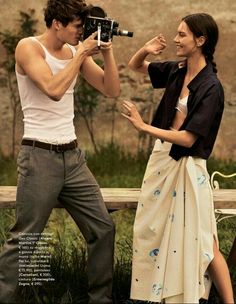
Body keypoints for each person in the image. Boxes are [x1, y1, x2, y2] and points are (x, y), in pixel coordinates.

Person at [0, 0, 120, 303]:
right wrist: (81, 55)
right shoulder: (29, 48)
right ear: (57, 24)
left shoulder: (71, 52)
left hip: (73, 157)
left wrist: (106, 49)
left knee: (103, 228)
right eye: (78, 27)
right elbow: (53, 90)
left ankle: (100, 299)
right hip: (39, 156)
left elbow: (111, 89)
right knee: (25, 237)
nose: (83, 33)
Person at [122, 13, 234, 304]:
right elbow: (135, 67)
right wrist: (145, 49)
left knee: (204, 242)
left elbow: (188, 138)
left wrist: (144, 126)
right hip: (162, 161)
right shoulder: (176, 70)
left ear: (200, 40)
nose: (175, 39)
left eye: (182, 34)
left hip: (188, 166)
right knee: (151, 231)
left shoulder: (211, 87)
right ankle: (160, 295)